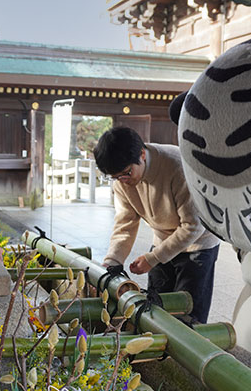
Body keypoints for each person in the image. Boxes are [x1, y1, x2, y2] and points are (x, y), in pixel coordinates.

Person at [94, 127, 220, 326]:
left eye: (126, 174)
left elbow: (194, 226)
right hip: (163, 239)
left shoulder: (178, 166)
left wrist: (153, 258)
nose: (123, 181)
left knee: (188, 315)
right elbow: (126, 221)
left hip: (198, 244)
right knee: (154, 310)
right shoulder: (122, 179)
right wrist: (113, 261)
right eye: (116, 177)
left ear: (142, 154)